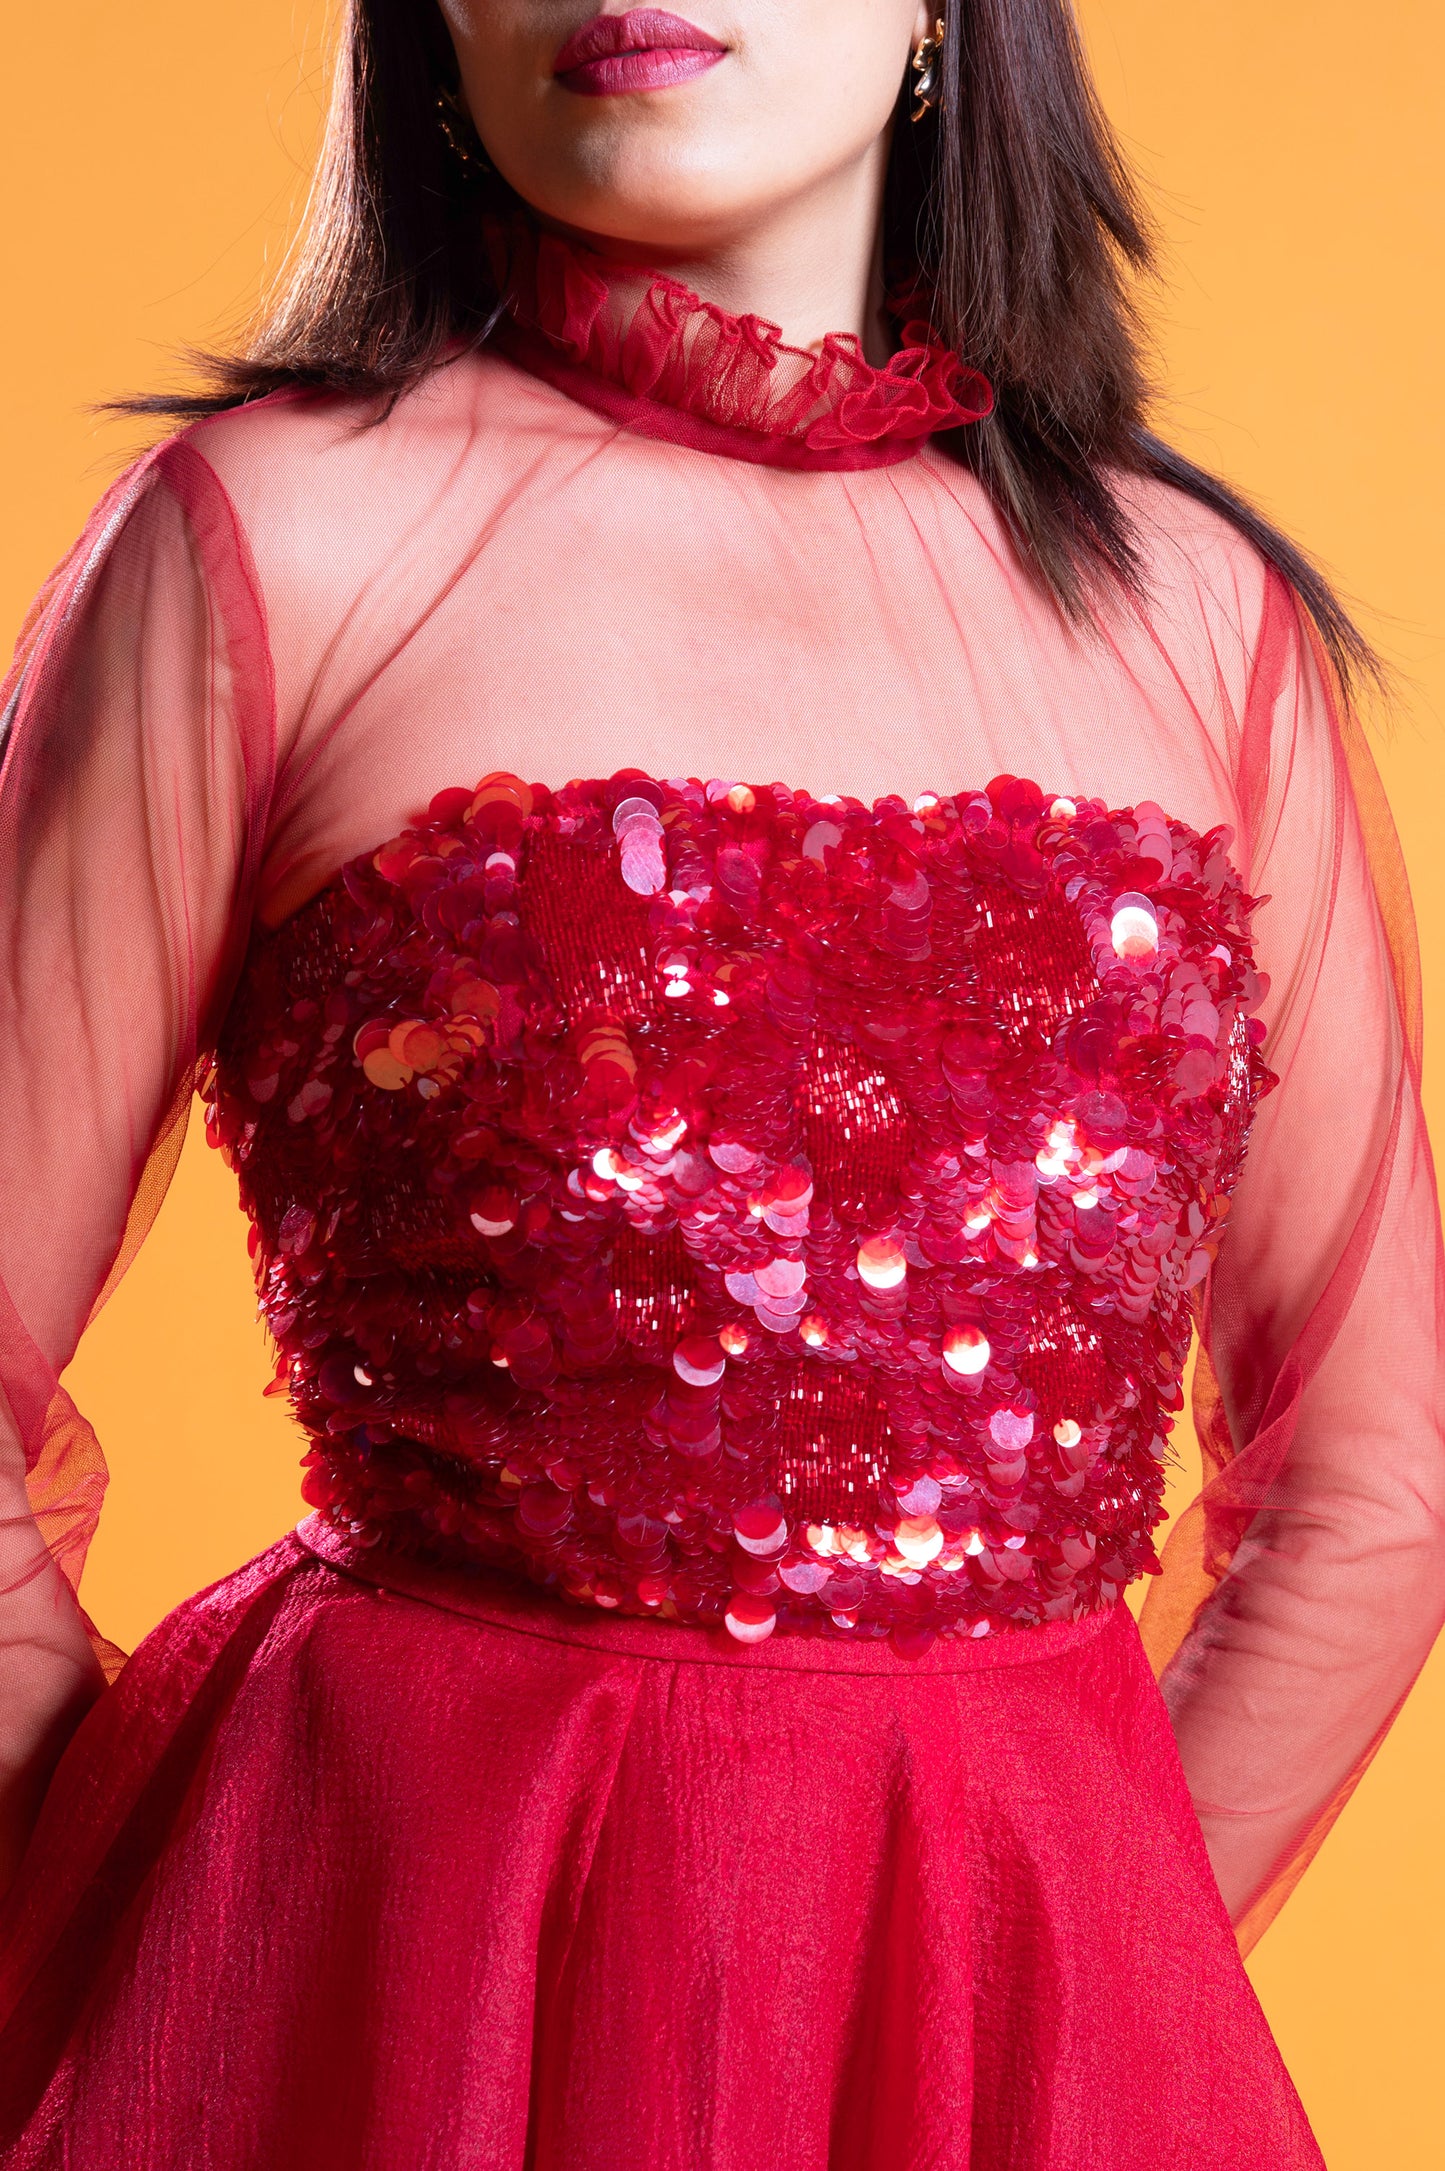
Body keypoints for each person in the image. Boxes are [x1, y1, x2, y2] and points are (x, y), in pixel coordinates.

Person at [0, 1, 1441, 2163]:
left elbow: (1373, 1495)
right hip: (384, 2023)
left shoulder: (1192, 615)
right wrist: (179, 1908)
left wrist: (1050, 1984)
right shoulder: (272, 538)